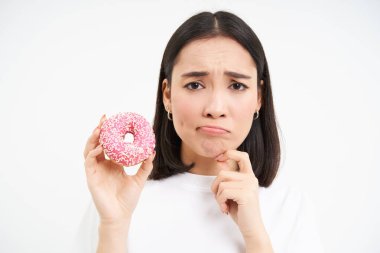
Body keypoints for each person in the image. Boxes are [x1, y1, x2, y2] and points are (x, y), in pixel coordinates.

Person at [74, 11, 324, 253]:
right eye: (195, 85)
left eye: (237, 85)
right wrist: (114, 226)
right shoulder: (118, 200)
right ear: (168, 95)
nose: (215, 108)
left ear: (258, 97)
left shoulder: (290, 208)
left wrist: (255, 236)